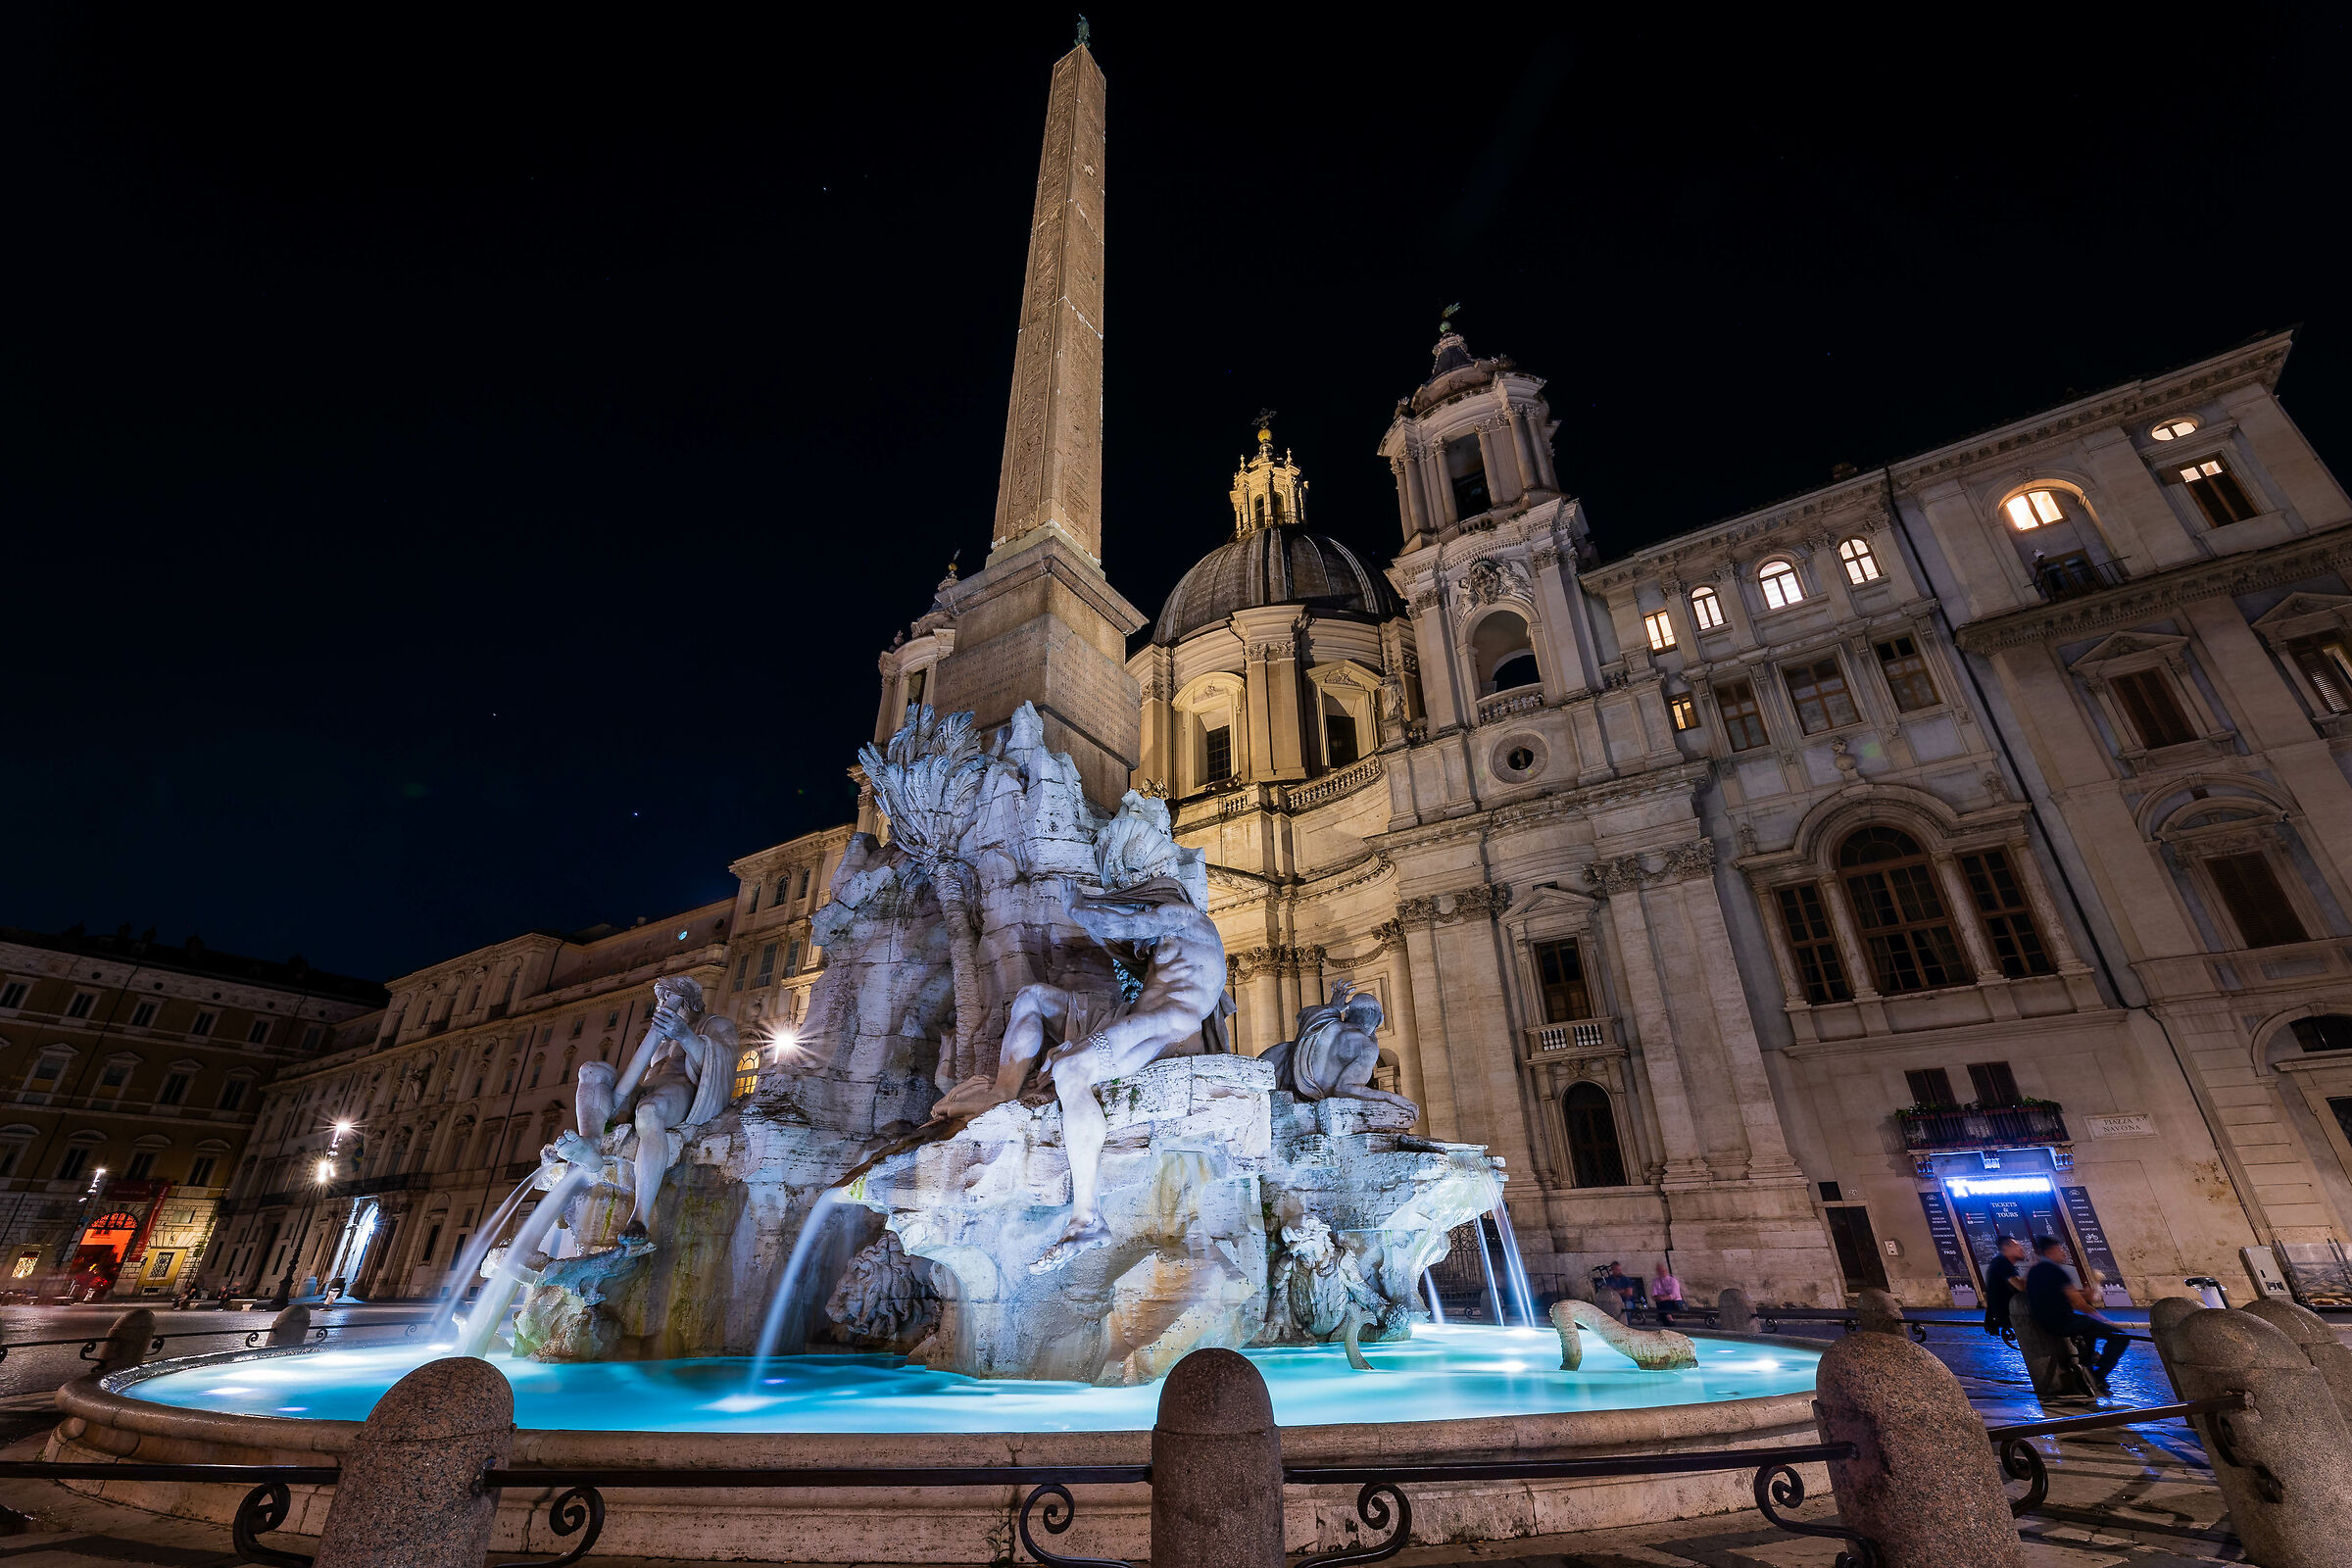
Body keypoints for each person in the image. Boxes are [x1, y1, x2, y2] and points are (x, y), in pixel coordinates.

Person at [2024, 1235, 2127, 1390]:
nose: (2063, 1253)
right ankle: (2099, 1375)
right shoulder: (2055, 1271)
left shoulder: (2035, 1271)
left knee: (2090, 1334)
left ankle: (2086, 1370)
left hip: (2045, 1322)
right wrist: (2102, 1319)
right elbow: (2077, 1303)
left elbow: (2057, 1295)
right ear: (2050, 1252)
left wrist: (2084, 1295)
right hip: (2064, 1321)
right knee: (2120, 1337)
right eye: (2060, 1250)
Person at [1982, 1235, 2028, 1336]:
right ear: (2006, 1248)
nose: (2021, 1248)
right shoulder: (2001, 1262)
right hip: (2010, 1314)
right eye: (2016, 1245)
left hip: (2010, 1311)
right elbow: (2020, 1286)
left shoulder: (2001, 1262)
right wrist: (2033, 1267)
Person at [1650, 1261, 1686, 1327]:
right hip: (1661, 1303)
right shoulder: (1655, 1281)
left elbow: (1675, 1295)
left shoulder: (1673, 1281)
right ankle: (1669, 1319)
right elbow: (1654, 1294)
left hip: (1675, 1302)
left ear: (1666, 1271)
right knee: (1661, 1303)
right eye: (1659, 1271)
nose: (1661, 1273)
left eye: (1663, 1271)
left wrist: (1663, 1298)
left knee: (1663, 1303)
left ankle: (1668, 1320)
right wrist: (1657, 1298)